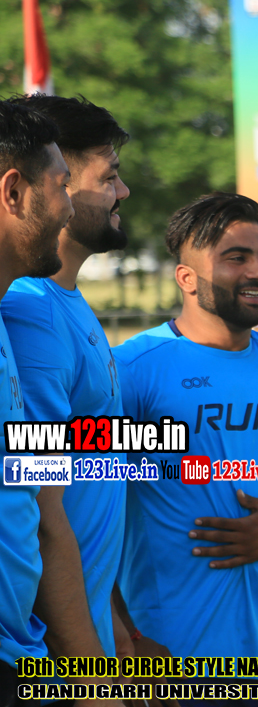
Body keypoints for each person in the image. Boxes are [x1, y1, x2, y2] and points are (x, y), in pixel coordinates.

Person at [112, 193, 258, 706]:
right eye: (236, 258)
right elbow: (80, 517)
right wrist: (128, 638)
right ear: (187, 278)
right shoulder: (131, 370)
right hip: (166, 666)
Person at [2, 95, 136, 664]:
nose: (123, 191)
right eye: (108, 177)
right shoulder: (30, 309)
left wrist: (116, 625)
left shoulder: (61, 302)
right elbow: (42, 512)